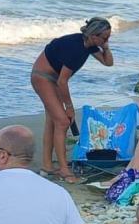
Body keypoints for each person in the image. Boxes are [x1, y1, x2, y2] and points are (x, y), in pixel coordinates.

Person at [31, 17, 114, 182]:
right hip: (42, 77)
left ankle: (47, 166)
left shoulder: (89, 45)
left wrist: (106, 47)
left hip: (53, 79)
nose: (106, 40)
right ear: (93, 35)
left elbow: (108, 62)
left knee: (54, 121)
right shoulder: (76, 48)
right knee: (62, 122)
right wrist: (69, 107)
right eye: (104, 38)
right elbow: (63, 81)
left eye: (108, 37)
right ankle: (64, 170)